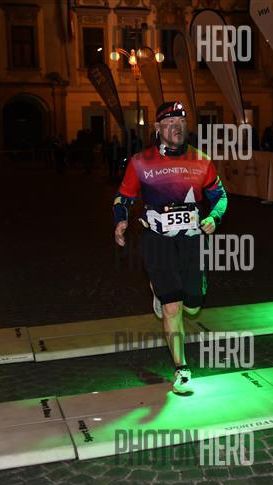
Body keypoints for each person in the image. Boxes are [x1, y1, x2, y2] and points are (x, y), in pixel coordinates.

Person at [113, 101, 228, 395]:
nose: (177, 127)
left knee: (193, 306)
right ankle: (181, 368)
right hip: (157, 240)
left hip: (192, 240)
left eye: (181, 122)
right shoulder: (140, 162)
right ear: (158, 128)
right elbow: (123, 198)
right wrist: (120, 221)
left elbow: (220, 196)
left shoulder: (201, 160)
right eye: (170, 123)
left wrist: (214, 217)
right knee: (172, 306)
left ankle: (173, 293)